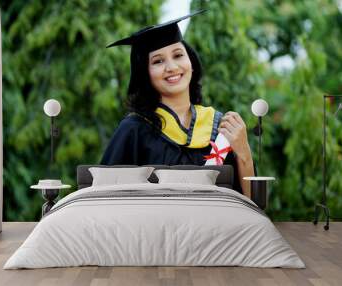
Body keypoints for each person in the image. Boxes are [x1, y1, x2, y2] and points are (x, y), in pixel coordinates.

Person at [100, 11, 255, 197]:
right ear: (145, 73)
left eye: (178, 55)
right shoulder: (134, 130)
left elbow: (253, 204)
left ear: (191, 62)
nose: (172, 67)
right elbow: (103, 198)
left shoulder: (220, 128)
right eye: (158, 61)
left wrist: (244, 153)